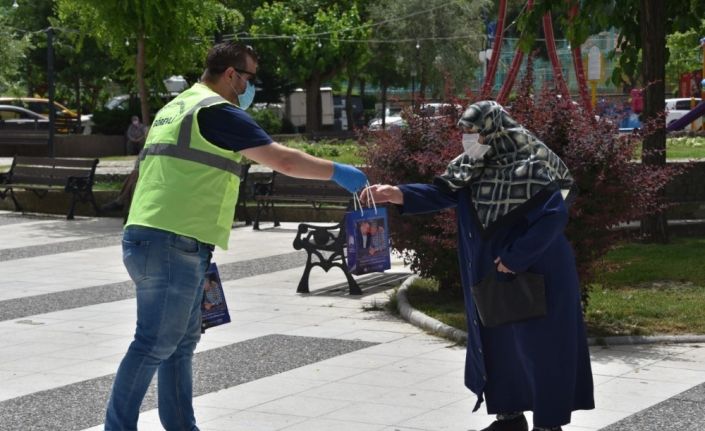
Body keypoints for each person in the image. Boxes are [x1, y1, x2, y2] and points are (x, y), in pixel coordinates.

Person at [104, 42, 367, 431]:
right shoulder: (216, 111)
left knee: (179, 345)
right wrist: (339, 172)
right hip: (171, 241)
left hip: (162, 237)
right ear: (230, 75)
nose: (250, 87)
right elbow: (284, 160)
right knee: (154, 343)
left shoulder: (175, 107)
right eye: (249, 78)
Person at [361, 101, 594, 431]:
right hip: (492, 273)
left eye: (473, 131)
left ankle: (548, 424)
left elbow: (553, 217)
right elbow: (442, 192)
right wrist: (396, 193)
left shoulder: (530, 165)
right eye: (464, 131)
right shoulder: (471, 164)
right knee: (498, 345)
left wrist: (514, 259)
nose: (467, 138)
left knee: (541, 349)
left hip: (538, 272)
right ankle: (508, 418)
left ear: (494, 130)